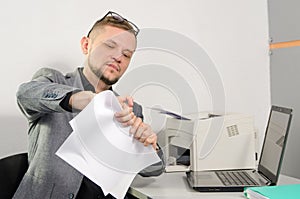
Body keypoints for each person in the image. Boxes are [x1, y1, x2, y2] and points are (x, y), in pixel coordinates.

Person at [14, 11, 165, 199]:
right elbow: (25, 94)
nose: (119, 57)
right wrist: (78, 99)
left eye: (127, 55)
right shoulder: (54, 80)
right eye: (110, 45)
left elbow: (154, 169)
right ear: (86, 45)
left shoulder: (131, 110)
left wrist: (150, 146)